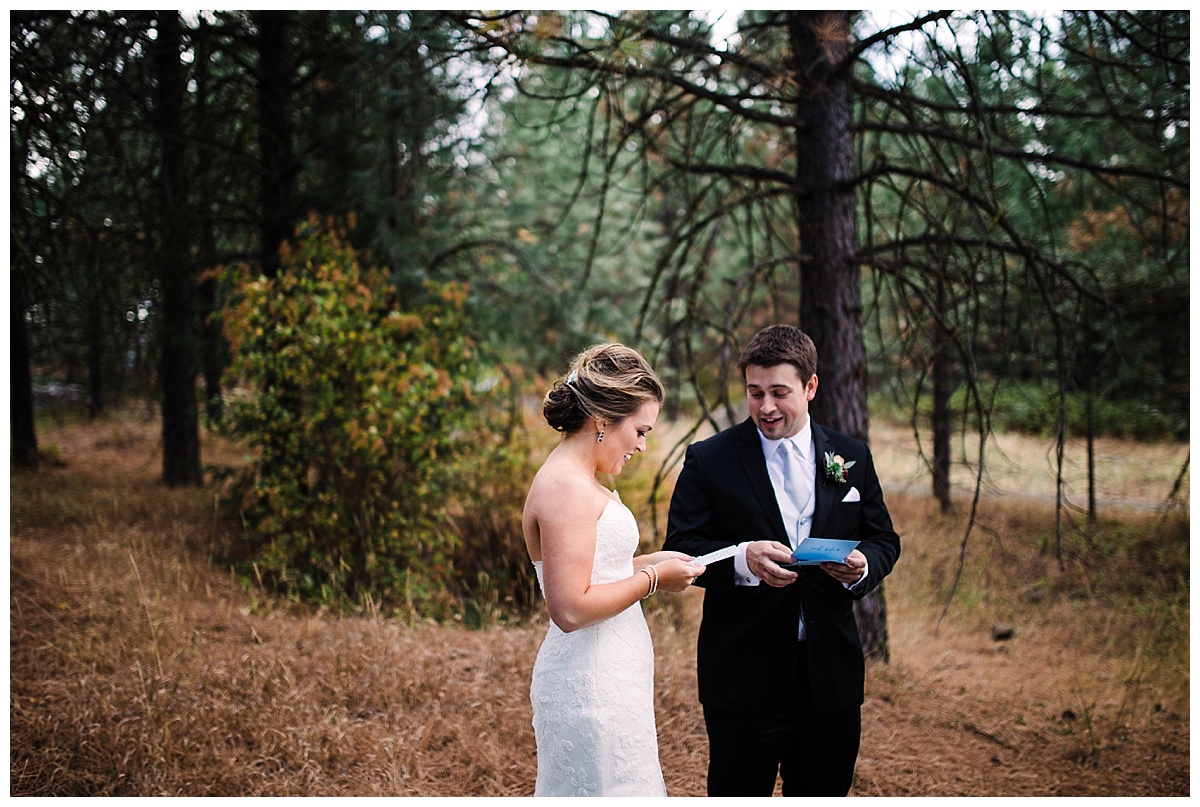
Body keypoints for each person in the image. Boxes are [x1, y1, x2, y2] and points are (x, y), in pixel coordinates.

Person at [663, 324, 901, 796]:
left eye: (778, 392)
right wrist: (741, 559)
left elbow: (883, 539)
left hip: (829, 675)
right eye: (754, 393)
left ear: (811, 387)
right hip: (743, 674)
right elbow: (682, 548)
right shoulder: (710, 460)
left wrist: (863, 567)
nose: (765, 407)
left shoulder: (851, 456)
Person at [523, 342, 705, 797]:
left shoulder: (581, 480)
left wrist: (651, 561)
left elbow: (596, 571)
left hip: (613, 679)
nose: (642, 446)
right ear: (604, 420)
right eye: (640, 431)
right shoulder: (565, 486)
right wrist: (654, 580)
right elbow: (569, 608)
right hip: (590, 687)